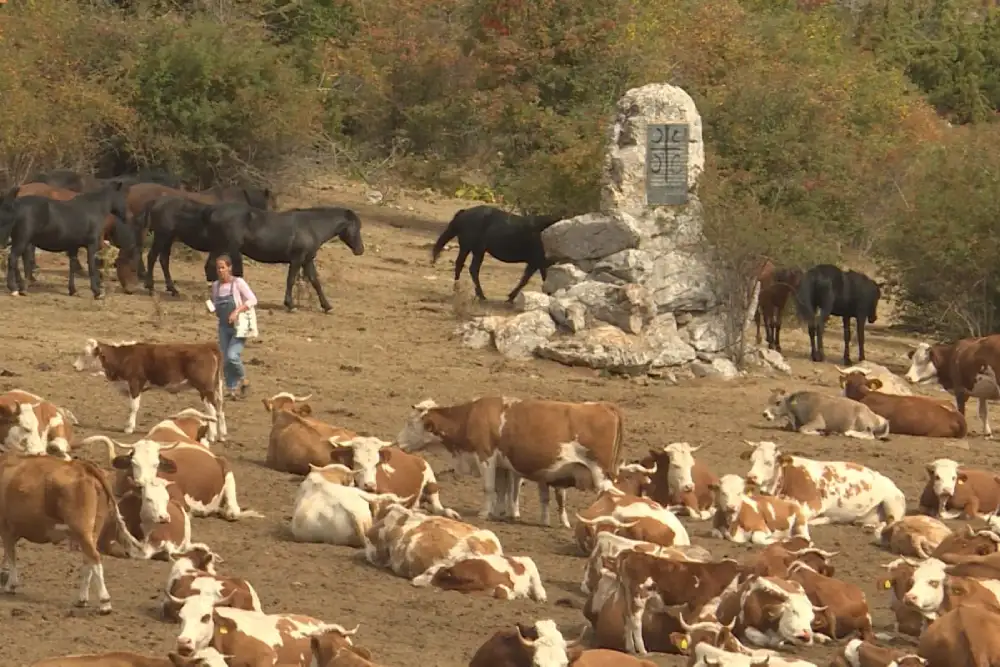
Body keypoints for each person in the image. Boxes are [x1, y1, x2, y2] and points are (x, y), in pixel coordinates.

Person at [209, 255, 257, 399]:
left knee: (232, 356)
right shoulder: (216, 286)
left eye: (223, 267)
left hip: (239, 326)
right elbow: (217, 305)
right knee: (224, 358)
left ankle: (244, 380)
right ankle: (231, 389)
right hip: (224, 326)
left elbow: (253, 299)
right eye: (218, 268)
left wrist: (237, 311)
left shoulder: (238, 283)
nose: (220, 270)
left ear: (229, 268)